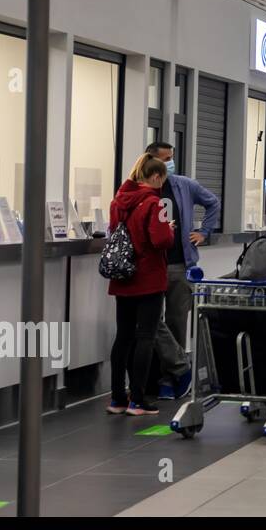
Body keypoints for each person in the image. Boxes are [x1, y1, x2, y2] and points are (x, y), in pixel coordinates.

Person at [144, 141, 220, 402]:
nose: (169, 163)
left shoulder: (183, 185)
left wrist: (204, 232)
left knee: (177, 322)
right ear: (150, 160)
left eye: (171, 158)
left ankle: (171, 379)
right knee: (151, 321)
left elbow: (213, 203)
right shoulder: (143, 187)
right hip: (152, 266)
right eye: (165, 159)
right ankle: (173, 369)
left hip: (179, 265)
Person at [107, 155, 176, 417]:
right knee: (145, 337)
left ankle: (117, 399)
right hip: (148, 278)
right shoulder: (153, 203)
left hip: (123, 277)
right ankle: (137, 400)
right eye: (162, 179)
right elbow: (160, 241)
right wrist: (168, 229)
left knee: (122, 337)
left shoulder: (118, 201)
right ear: (156, 177)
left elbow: (115, 230)